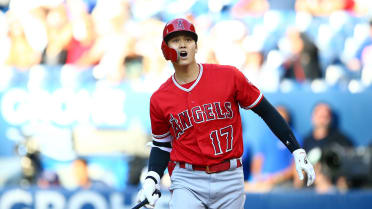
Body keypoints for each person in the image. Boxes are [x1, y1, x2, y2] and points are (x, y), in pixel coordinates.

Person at [136, 18, 315, 209]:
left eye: (188, 39)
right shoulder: (160, 98)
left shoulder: (229, 76)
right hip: (187, 178)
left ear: (196, 46)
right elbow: (162, 144)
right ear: (165, 50)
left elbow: (266, 111)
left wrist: (296, 149)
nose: (182, 44)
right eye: (175, 40)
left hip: (229, 177)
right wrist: (152, 178)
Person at [244, 105, 302, 192]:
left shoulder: (294, 137)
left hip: (281, 182)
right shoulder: (265, 136)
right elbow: (258, 161)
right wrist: (258, 178)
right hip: (262, 181)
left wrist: (275, 179)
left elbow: (295, 166)